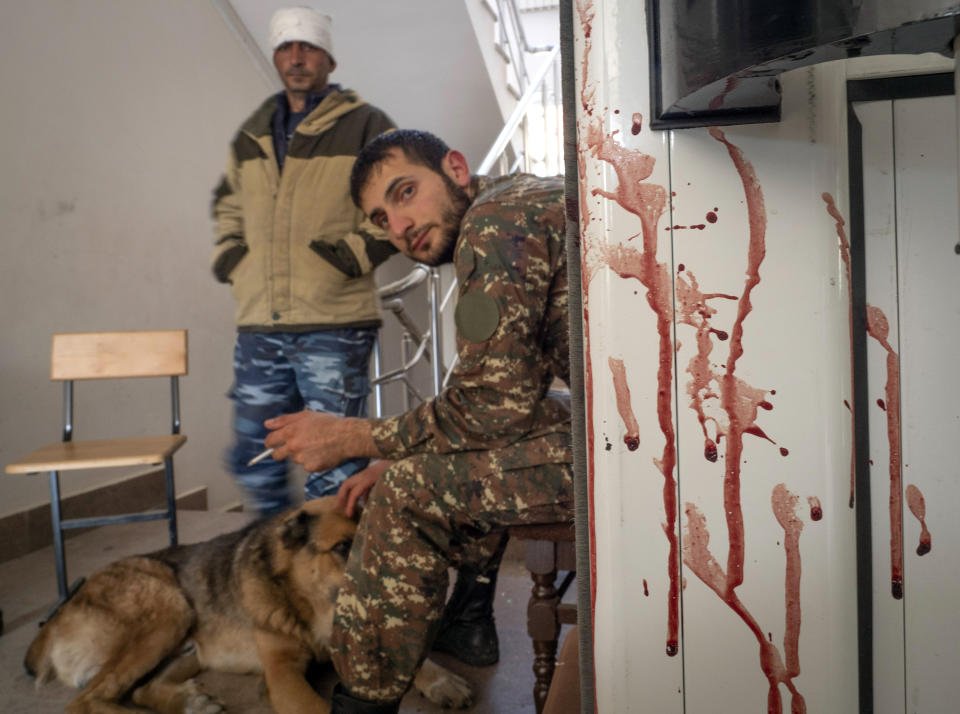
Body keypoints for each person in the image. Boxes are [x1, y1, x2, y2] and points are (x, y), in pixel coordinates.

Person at [263, 129, 575, 713]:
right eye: (382, 219)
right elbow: (501, 390)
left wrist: (353, 436)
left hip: (655, 449)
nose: (400, 226)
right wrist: (398, 448)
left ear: (456, 168)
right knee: (495, 432)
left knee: (408, 491)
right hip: (647, 426)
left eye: (405, 193)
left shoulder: (494, 226)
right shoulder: (516, 200)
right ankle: (469, 618)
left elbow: (488, 406)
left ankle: (363, 701)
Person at [211, 7, 396, 516]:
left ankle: (332, 581)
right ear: (275, 55)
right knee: (254, 453)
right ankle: (275, 564)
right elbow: (228, 204)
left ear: (328, 58)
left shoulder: (367, 125)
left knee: (331, 462)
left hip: (333, 323)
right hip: (259, 324)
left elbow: (396, 203)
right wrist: (233, 256)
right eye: (286, 47)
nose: (296, 57)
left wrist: (350, 256)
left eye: (308, 47)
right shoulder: (252, 134)